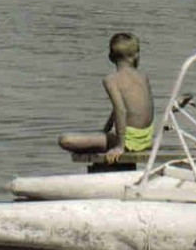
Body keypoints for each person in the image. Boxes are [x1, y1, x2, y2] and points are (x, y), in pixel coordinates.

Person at [58, 32, 157, 163]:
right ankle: (112, 141)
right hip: (146, 138)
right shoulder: (143, 77)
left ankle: (110, 148)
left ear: (110, 57)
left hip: (128, 142)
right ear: (136, 56)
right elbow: (135, 107)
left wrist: (119, 147)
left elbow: (121, 110)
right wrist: (106, 128)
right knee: (102, 136)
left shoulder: (111, 80)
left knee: (65, 140)